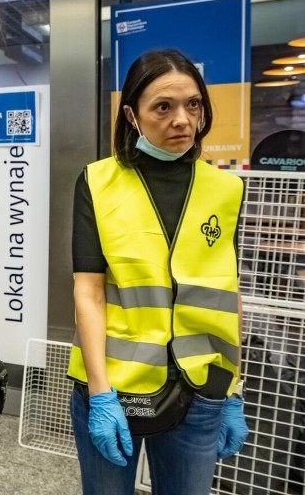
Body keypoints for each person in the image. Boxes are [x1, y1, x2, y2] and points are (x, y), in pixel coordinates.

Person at [67, 49, 249, 495]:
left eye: (193, 105)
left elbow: (229, 291)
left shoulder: (227, 188)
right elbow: (88, 293)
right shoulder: (98, 181)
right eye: (163, 107)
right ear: (131, 114)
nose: (182, 120)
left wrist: (234, 388)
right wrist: (101, 394)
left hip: (203, 387)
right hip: (113, 385)